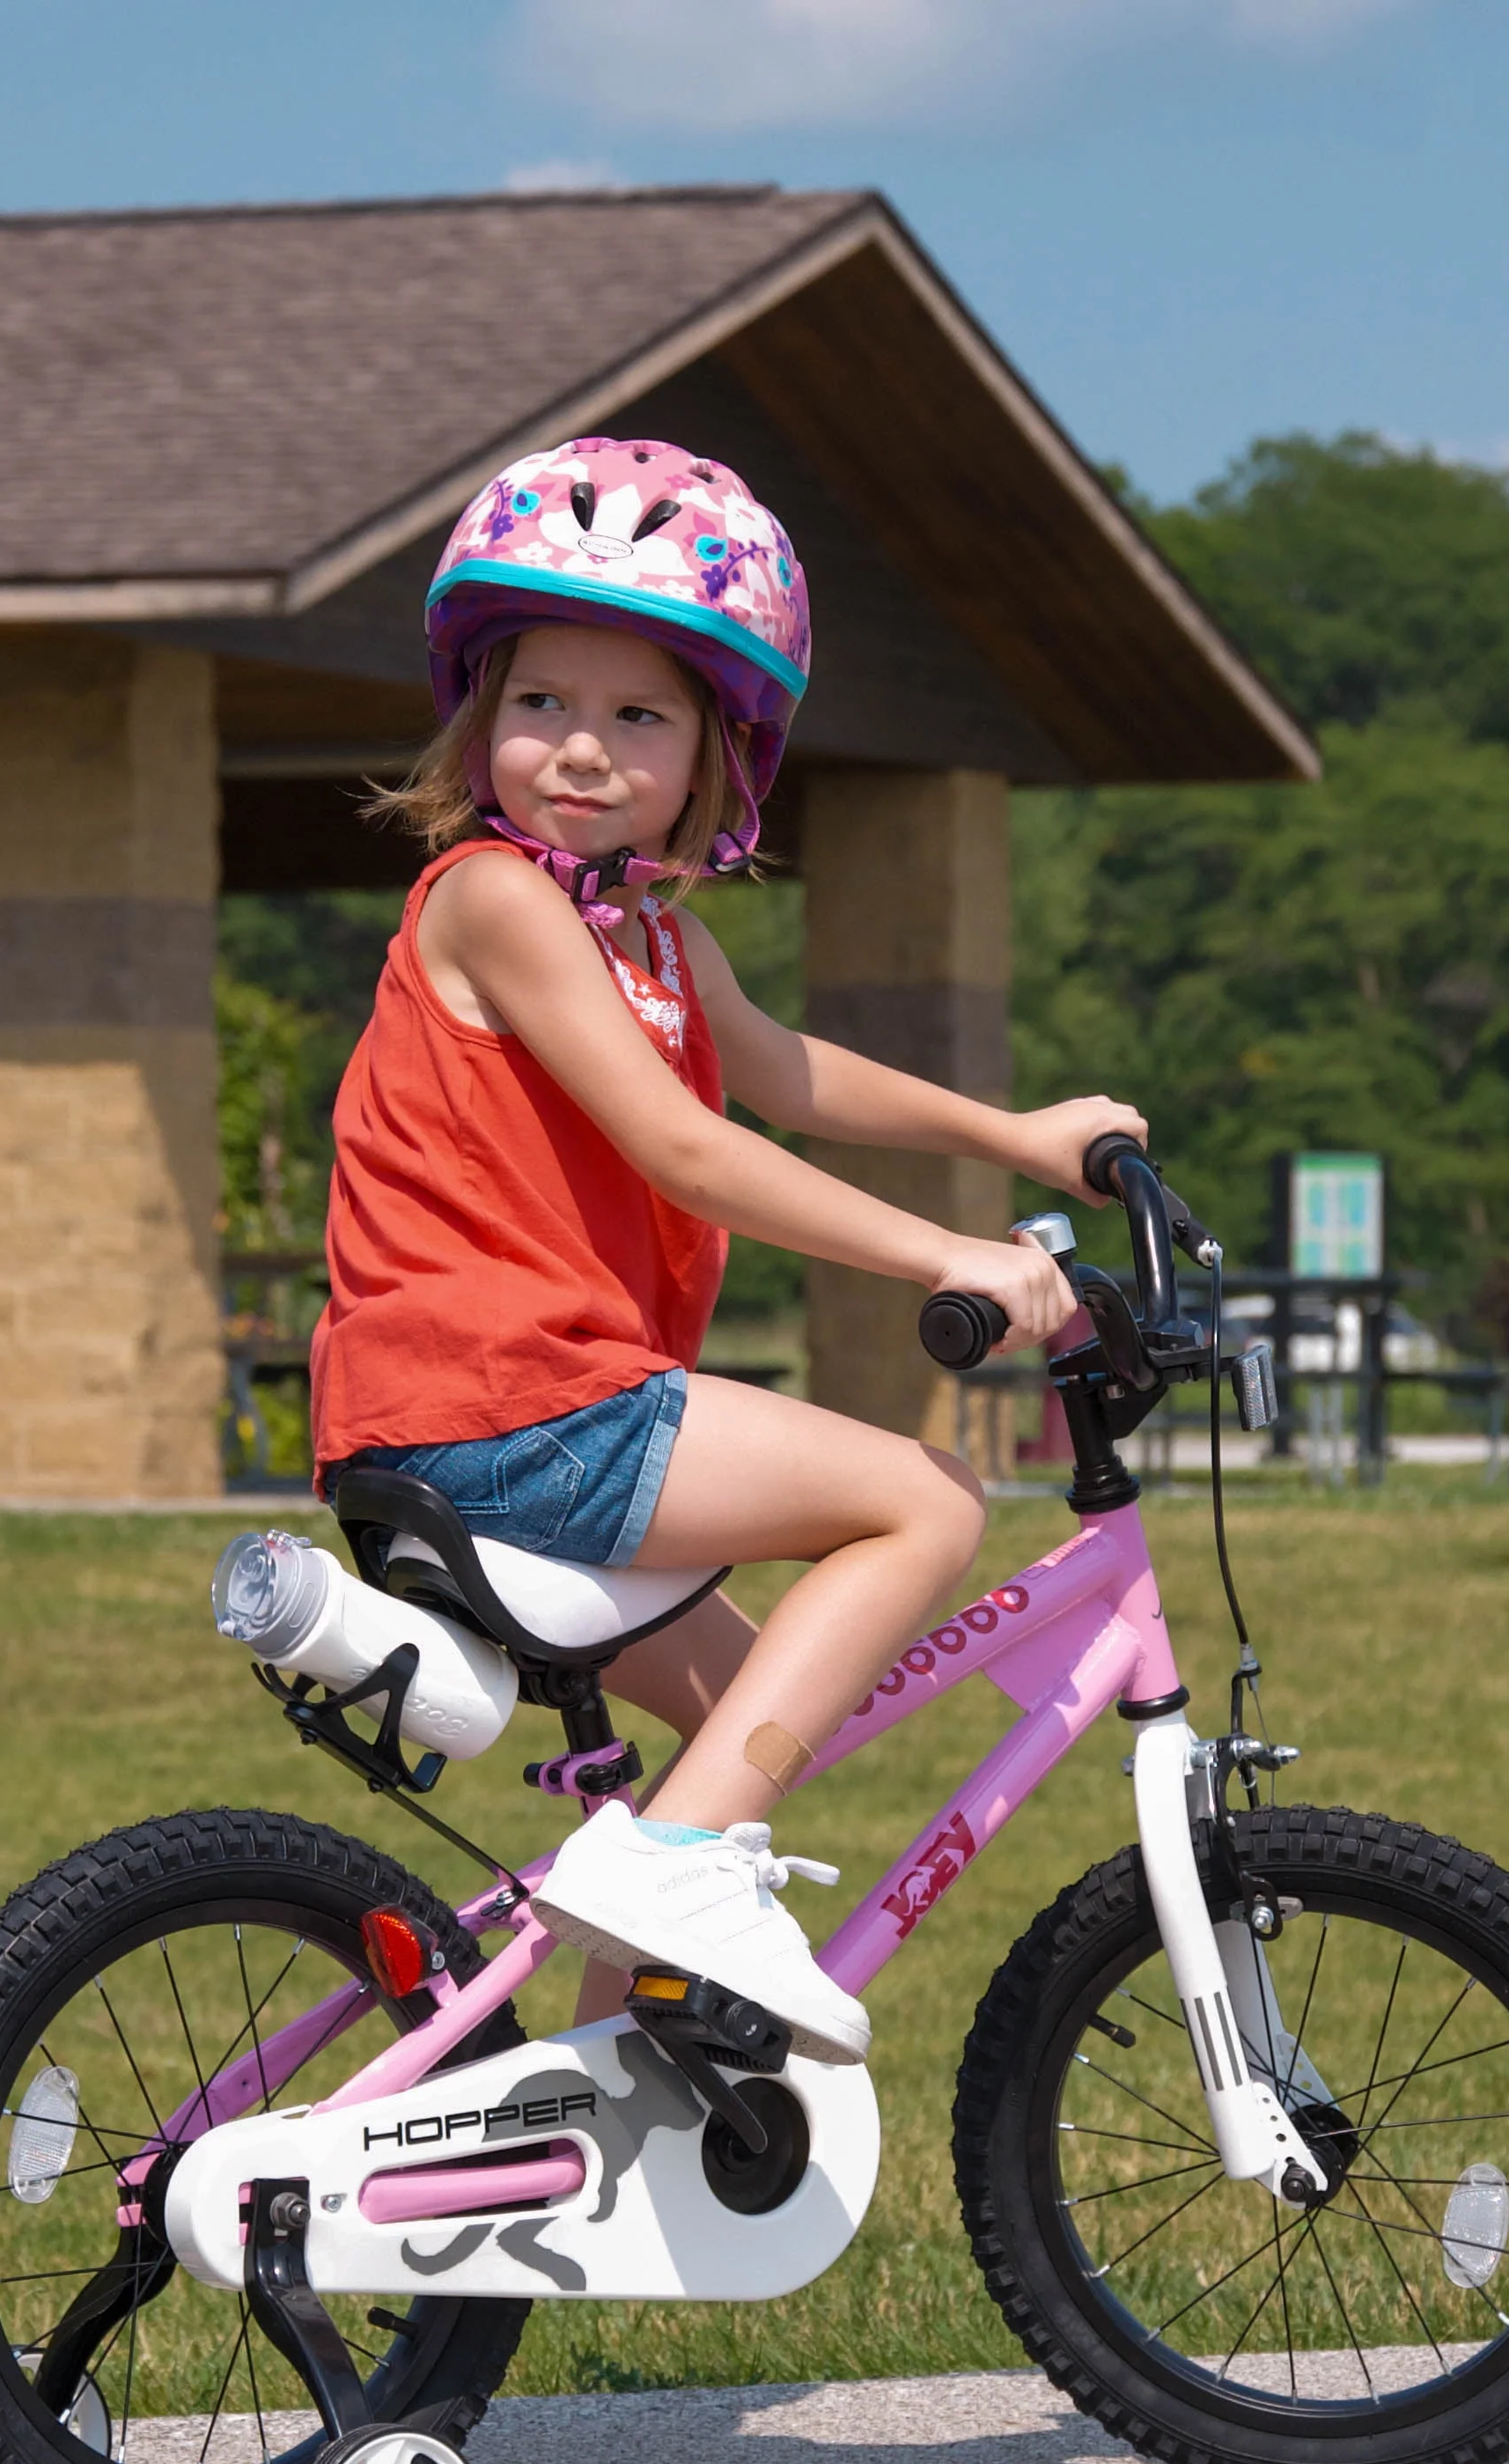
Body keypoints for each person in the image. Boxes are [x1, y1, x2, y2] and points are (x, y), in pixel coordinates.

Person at [310, 435, 1137, 2066]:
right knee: (924, 1497)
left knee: (749, 1726)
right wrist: (943, 1258)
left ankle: (600, 2083)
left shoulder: (653, 937)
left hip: (517, 1410)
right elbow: (688, 1146)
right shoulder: (493, 901)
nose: (583, 750)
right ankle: (679, 1876)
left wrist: (1020, 1136)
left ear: (710, 759)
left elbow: (792, 1076)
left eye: (641, 716)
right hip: (516, 1402)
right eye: (542, 703)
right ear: (481, 719)